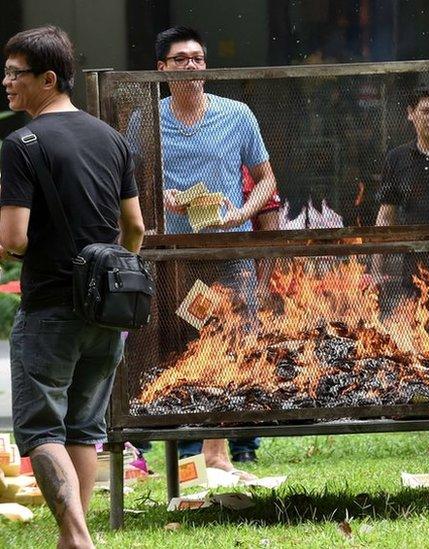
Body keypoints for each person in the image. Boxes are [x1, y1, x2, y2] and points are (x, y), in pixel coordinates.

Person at [0, 26, 145, 548]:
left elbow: (14, 240)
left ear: (49, 78)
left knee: (41, 430)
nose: (6, 83)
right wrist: (107, 277)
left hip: (49, 308)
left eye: (15, 74)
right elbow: (135, 230)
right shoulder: (112, 138)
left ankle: (78, 540)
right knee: (85, 427)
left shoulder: (22, 144)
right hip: (106, 310)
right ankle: (75, 539)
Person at [152, 26, 277, 470]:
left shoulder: (237, 114)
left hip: (229, 252)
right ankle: (188, 448)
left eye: (198, 58)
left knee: (232, 342)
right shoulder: (145, 119)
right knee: (181, 343)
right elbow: (128, 184)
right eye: (181, 59)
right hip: (173, 259)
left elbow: (267, 181)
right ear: (161, 69)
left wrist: (242, 214)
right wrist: (158, 196)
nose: (191, 66)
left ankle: (218, 450)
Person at [374, 77, 429, 453]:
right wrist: (376, 261)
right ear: (410, 115)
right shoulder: (398, 158)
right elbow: (387, 213)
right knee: (418, 340)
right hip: (413, 272)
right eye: (425, 110)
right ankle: (426, 417)